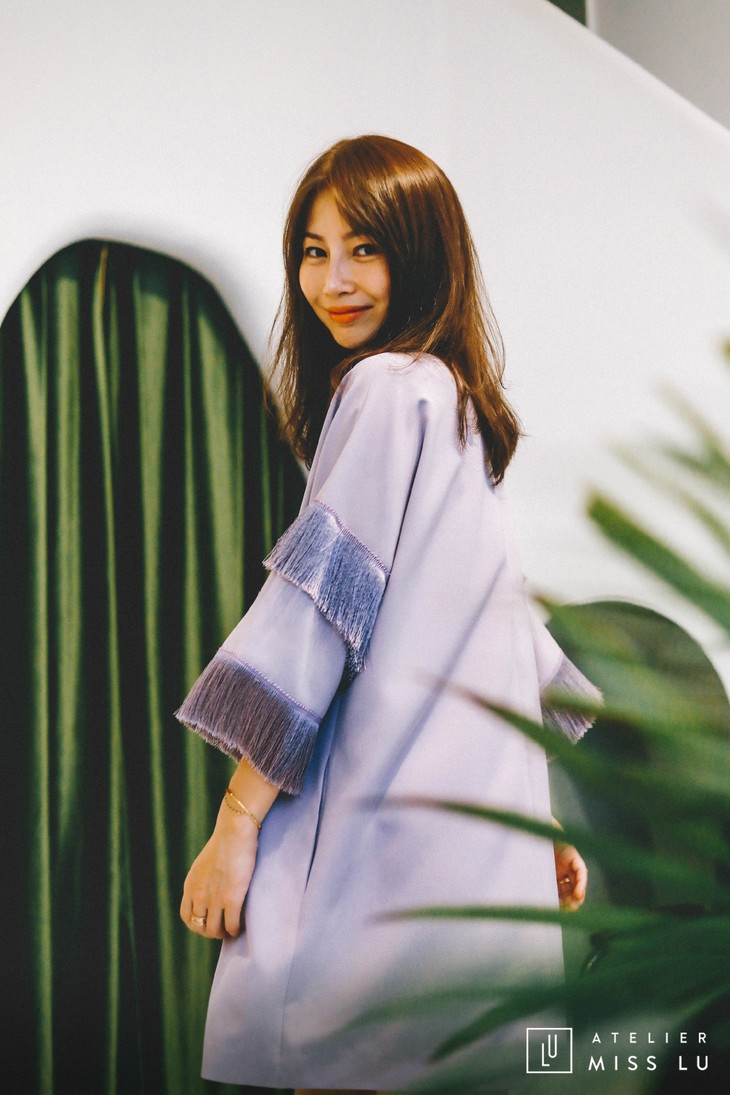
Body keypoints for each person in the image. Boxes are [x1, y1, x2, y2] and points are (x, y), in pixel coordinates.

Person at [176, 134, 597, 1094]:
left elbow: (316, 616)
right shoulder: (460, 404)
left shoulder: (383, 389)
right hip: (467, 862)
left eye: (364, 248)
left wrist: (236, 824)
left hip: (379, 853)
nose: (333, 280)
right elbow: (500, 639)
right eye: (314, 251)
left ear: (420, 252)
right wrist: (534, 824)